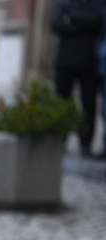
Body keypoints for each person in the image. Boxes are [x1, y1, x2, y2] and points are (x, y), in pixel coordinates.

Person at [51, 0, 102, 157]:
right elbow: (55, 24)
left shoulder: (95, 4)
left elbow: (97, 22)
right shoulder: (65, 3)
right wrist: (84, 24)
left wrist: (72, 17)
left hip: (88, 63)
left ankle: (85, 143)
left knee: (88, 105)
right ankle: (59, 139)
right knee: (62, 102)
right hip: (65, 62)